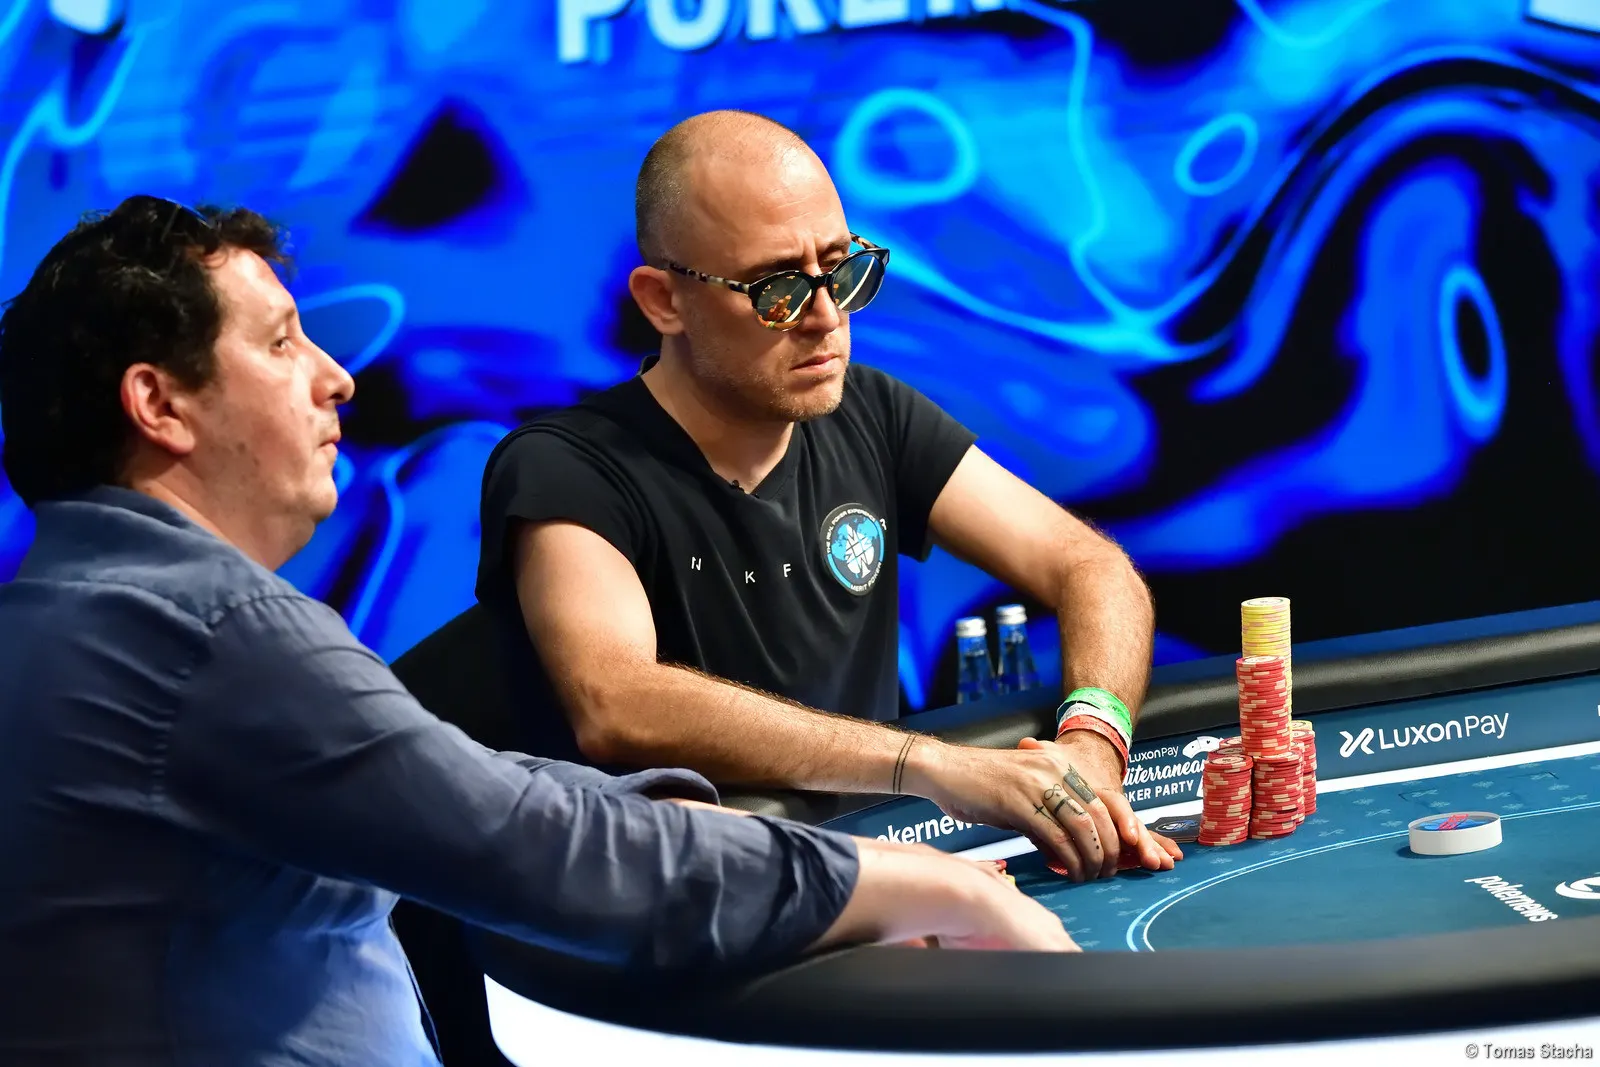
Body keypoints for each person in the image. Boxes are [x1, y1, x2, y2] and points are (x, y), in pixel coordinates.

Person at [0, 196, 1077, 1067]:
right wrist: (920, 880)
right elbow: (540, 847)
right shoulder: (212, 630)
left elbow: (468, 784)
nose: (337, 376)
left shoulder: (76, 612)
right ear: (159, 403)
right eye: (282, 342)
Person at [477, 110, 1184, 884]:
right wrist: (932, 764)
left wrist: (1092, 746)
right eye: (778, 289)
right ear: (663, 301)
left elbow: (1088, 565)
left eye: (843, 272)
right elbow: (617, 700)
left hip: (873, 881)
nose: (825, 318)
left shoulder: (871, 412)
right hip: (671, 909)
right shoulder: (564, 467)